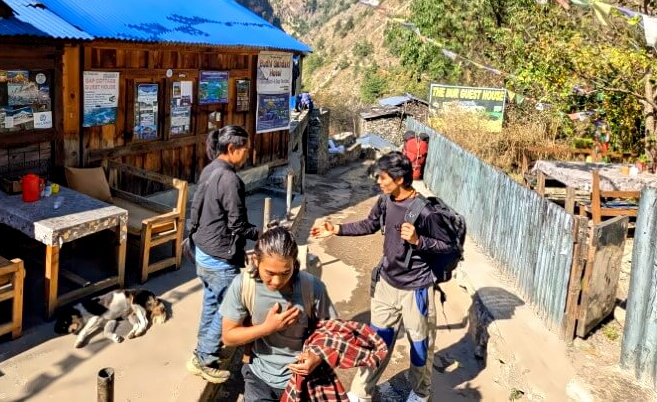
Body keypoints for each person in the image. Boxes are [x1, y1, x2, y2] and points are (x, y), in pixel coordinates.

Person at [310, 152, 455, 402]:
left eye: (383, 177)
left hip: (416, 290)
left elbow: (447, 246)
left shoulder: (425, 212)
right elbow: (369, 225)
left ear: (399, 179)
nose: (378, 181)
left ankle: (420, 393)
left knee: (420, 346)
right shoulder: (385, 201)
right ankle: (361, 392)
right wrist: (337, 229)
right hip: (387, 284)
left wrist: (419, 240)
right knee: (376, 342)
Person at [221, 224, 338, 401]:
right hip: (258, 377)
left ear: (294, 263)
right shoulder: (244, 285)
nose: (277, 281)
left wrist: (316, 358)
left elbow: (333, 334)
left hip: (301, 381)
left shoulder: (312, 287)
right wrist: (267, 328)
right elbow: (228, 336)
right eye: (270, 273)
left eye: (285, 273)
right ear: (255, 261)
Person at [186, 125, 260, 384]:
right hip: (219, 256)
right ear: (232, 149)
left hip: (203, 250)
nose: (248, 155)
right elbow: (238, 225)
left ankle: (200, 351)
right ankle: (205, 359)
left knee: (210, 303)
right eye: (245, 150)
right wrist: (260, 235)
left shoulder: (210, 169)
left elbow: (195, 210)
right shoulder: (230, 179)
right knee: (223, 311)